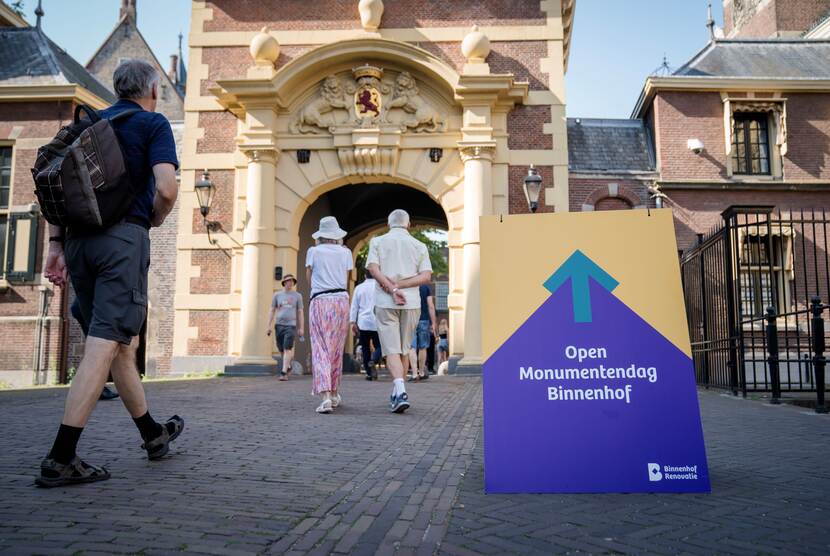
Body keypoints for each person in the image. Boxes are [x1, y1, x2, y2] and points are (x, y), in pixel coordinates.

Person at [38, 60, 183, 487]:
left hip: (80, 243)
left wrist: (56, 244)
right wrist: (152, 219)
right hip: (123, 241)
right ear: (153, 89)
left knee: (119, 342)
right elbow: (167, 187)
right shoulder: (153, 124)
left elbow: (57, 188)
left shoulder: (90, 122)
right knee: (104, 344)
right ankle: (61, 457)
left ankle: (152, 434)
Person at [366, 209, 432, 413]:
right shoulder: (419, 245)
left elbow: (373, 269)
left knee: (391, 350)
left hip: (386, 302)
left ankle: (400, 390)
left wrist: (392, 288)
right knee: (403, 349)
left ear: (388, 224)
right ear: (408, 224)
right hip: (411, 303)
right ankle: (398, 391)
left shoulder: (377, 242)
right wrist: (402, 286)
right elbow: (426, 276)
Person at [306, 216, 353, 414]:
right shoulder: (346, 252)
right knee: (336, 349)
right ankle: (334, 392)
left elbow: (309, 276)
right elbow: (347, 277)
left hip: (320, 300)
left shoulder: (314, 251)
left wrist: (319, 290)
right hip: (341, 301)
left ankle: (325, 396)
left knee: (320, 348)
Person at [266, 274, 304, 380]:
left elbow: (300, 312)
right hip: (278, 325)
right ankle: (288, 366)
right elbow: (272, 310)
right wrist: (268, 325)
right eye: (288, 281)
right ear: (284, 283)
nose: (290, 283)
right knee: (281, 349)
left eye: (292, 281)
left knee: (287, 348)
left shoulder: (297, 296)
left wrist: (301, 328)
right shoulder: (277, 295)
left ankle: (283, 373)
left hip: (291, 326)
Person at [350, 276, 382, 381]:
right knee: (380, 346)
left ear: (364, 275)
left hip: (363, 322)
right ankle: (374, 359)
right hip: (377, 321)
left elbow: (354, 306)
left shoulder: (359, 288)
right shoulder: (379, 286)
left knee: (365, 348)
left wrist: (353, 322)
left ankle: (369, 373)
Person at [408, 284, 437, 382]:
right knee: (423, 347)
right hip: (424, 319)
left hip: (410, 319)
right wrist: (433, 322)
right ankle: (421, 372)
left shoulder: (407, 285)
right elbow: (431, 306)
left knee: (412, 347)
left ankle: (414, 374)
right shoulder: (425, 287)